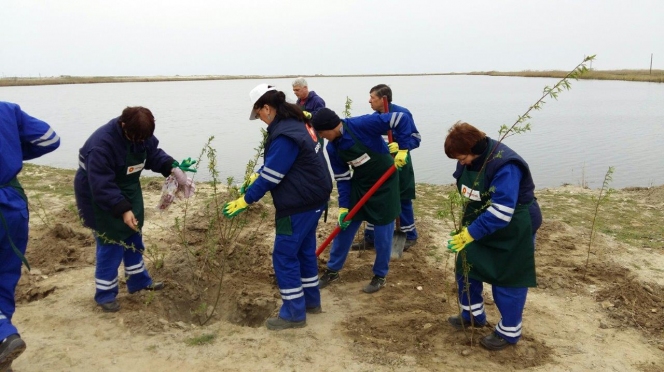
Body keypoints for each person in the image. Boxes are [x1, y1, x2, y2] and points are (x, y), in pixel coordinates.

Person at [223, 84, 332, 330]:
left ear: (267, 108)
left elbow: (273, 176)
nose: (260, 119)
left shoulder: (284, 133)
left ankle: (294, 313)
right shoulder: (297, 121)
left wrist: (246, 199)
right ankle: (311, 302)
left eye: (259, 113)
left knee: (284, 256)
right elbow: (280, 164)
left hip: (297, 204)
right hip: (315, 198)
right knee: (304, 252)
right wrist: (256, 174)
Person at [74, 106, 190, 313]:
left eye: (143, 139)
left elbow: (153, 155)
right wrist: (122, 209)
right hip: (97, 192)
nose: (139, 142)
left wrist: (172, 167)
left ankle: (138, 282)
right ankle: (105, 294)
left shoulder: (142, 136)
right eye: (135, 137)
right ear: (123, 124)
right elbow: (101, 184)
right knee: (111, 242)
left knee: (133, 235)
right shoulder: (101, 145)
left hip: (129, 187)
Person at [443, 122, 542, 351]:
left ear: (475, 150)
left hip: (514, 225)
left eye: (462, 157)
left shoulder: (505, 165)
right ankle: (472, 314)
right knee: (467, 268)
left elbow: (501, 212)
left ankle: (508, 332)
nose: (461, 163)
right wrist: (468, 230)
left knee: (508, 278)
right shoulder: (471, 160)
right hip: (479, 220)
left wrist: (470, 233)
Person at [312, 107, 413, 294]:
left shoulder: (361, 124)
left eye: (321, 132)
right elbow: (342, 178)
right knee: (345, 227)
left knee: (383, 235)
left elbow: (401, 118)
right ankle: (333, 270)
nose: (321, 136)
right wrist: (344, 208)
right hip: (360, 185)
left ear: (330, 127)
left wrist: (403, 148)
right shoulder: (332, 148)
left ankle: (380, 275)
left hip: (385, 183)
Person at [0, 101, 60, 371]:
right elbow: (50, 139)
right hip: (11, 204)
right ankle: (4, 340)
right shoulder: (7, 109)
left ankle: (4, 335)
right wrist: (11, 153)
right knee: (5, 275)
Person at [353, 84, 421, 251]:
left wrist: (401, 148)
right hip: (380, 165)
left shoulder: (402, 114)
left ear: (384, 100)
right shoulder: (374, 118)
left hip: (400, 163)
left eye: (372, 98)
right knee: (375, 197)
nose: (369, 101)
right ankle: (371, 237)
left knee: (402, 197)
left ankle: (409, 235)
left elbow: (416, 138)